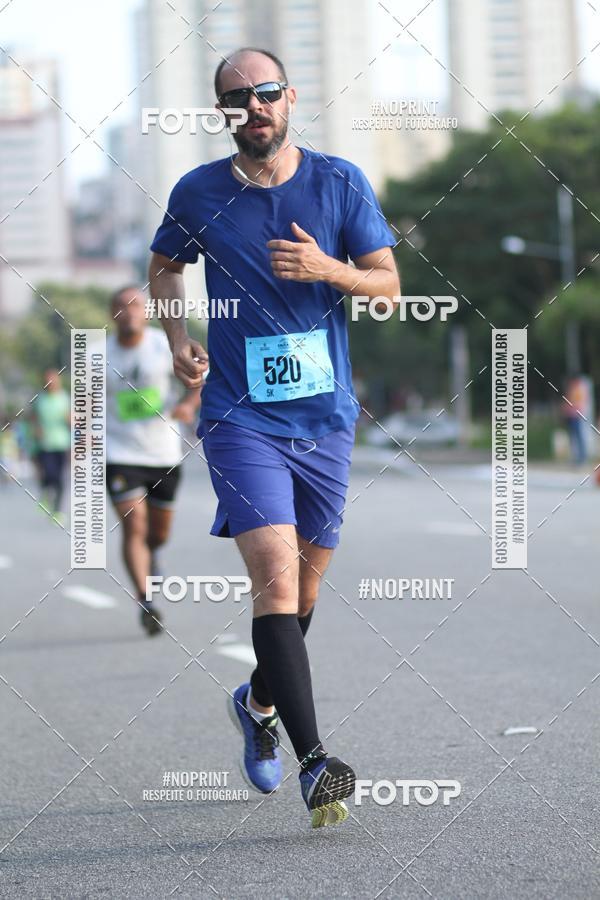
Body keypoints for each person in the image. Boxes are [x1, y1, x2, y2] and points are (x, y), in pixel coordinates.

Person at [149, 47, 400, 827]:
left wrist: (330, 269)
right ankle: (316, 760)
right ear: (221, 111)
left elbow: (389, 288)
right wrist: (175, 340)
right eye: (234, 98)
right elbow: (163, 271)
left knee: (306, 593)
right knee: (276, 580)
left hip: (324, 419)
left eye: (263, 93)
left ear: (289, 97)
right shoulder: (197, 192)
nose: (251, 107)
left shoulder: (339, 182)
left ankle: (256, 702)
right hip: (237, 415)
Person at [106, 286, 201, 636]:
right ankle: (146, 600)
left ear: (145, 312)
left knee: (157, 533)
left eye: (134, 305)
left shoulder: (165, 345)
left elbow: (197, 378)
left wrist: (189, 405)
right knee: (135, 526)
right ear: (111, 314)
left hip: (163, 454)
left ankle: (154, 556)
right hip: (119, 454)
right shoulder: (99, 355)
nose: (128, 311)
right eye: (120, 306)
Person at [32, 369, 70, 523]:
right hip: (45, 445)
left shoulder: (65, 398)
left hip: (62, 443)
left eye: (53, 380)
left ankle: (58, 510)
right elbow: (33, 418)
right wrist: (36, 430)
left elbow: (72, 417)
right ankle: (46, 494)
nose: (51, 383)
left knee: (60, 478)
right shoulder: (40, 399)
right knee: (49, 474)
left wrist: (71, 420)